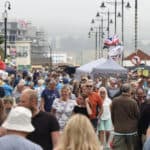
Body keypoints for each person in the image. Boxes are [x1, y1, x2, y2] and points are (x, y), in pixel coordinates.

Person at [111, 83, 140, 150]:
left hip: (118, 130)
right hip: (131, 130)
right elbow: (138, 115)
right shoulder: (133, 102)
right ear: (129, 91)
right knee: (131, 148)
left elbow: (112, 114)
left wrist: (115, 124)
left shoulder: (115, 100)